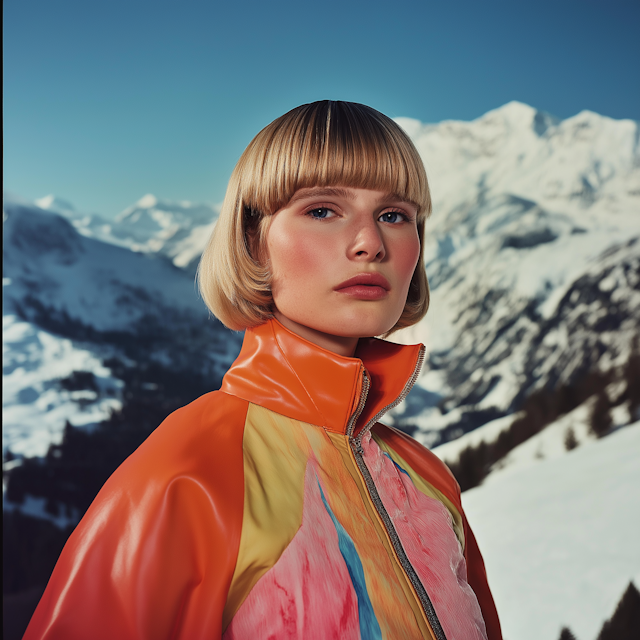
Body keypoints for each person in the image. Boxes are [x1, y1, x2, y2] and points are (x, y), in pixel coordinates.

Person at [24, 101, 502, 640]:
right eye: (323, 210)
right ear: (254, 241)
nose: (370, 242)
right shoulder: (186, 477)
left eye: (394, 215)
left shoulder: (428, 478)